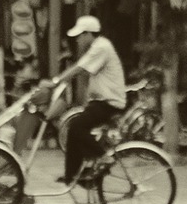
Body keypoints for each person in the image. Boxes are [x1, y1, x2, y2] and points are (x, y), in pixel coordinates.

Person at [47, 16, 127, 188]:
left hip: (109, 103)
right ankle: (72, 176)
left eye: (80, 36)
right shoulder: (97, 47)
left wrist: (55, 82)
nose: (78, 40)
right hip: (100, 101)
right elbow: (82, 70)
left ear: (89, 34)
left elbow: (79, 68)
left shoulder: (101, 46)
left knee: (77, 127)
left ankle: (104, 156)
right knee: (73, 131)